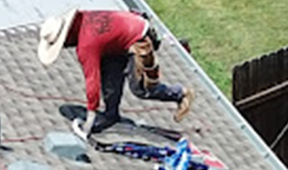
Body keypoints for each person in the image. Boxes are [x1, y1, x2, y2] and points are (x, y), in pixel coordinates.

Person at [37, 8, 194, 136]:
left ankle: (180, 93)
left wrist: (90, 117)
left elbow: (92, 81)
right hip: (119, 39)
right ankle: (111, 115)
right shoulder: (83, 17)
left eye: (62, 44)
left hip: (139, 38)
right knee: (110, 77)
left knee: (141, 89)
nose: (64, 47)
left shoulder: (86, 45)